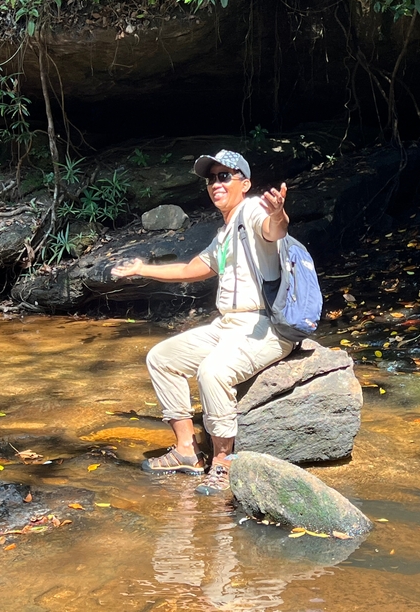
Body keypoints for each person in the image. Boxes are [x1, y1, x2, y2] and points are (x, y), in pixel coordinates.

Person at [111, 149, 295, 495]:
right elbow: (190, 269)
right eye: (211, 179)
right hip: (227, 326)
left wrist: (279, 213)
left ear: (246, 183)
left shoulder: (255, 210)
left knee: (213, 371)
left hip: (263, 326)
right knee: (162, 358)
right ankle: (186, 451)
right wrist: (141, 269)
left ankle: (223, 461)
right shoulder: (225, 232)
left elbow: (274, 230)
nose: (216, 184)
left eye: (224, 176)